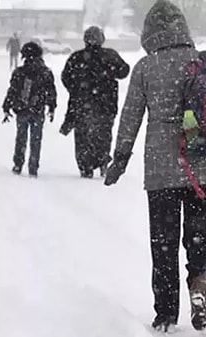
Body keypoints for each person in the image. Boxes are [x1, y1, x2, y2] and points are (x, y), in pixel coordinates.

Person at [104, 0, 206, 332]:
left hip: (161, 170)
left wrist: (120, 158)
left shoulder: (147, 67)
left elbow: (131, 116)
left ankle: (165, 315)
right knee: (200, 239)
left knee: (163, 244)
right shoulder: (199, 62)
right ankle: (201, 289)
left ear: (150, 32)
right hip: (200, 168)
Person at [61, 26, 130, 178]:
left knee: (82, 137)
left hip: (81, 105)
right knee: (104, 135)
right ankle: (102, 160)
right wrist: (109, 73)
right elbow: (124, 71)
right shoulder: (110, 55)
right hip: (106, 104)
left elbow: (65, 77)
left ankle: (85, 166)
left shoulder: (76, 57)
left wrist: (77, 89)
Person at [2, 42, 56, 177]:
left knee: (21, 137)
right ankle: (33, 166)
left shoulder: (19, 72)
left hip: (22, 109)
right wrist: (51, 107)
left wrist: (7, 106)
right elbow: (51, 91)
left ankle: (18, 163)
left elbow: (12, 91)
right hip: (38, 110)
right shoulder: (46, 72)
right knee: (36, 139)